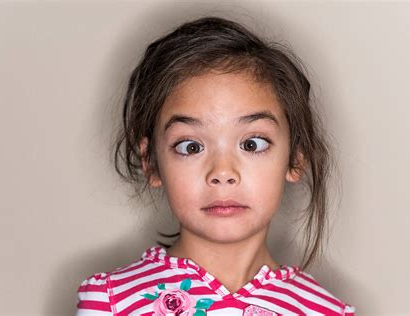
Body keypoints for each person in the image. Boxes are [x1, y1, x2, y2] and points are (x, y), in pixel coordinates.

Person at [75, 16, 356, 315]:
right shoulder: (110, 301)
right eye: (191, 147)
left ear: (295, 159)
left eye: (252, 144)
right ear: (151, 162)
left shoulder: (327, 311)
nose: (222, 173)